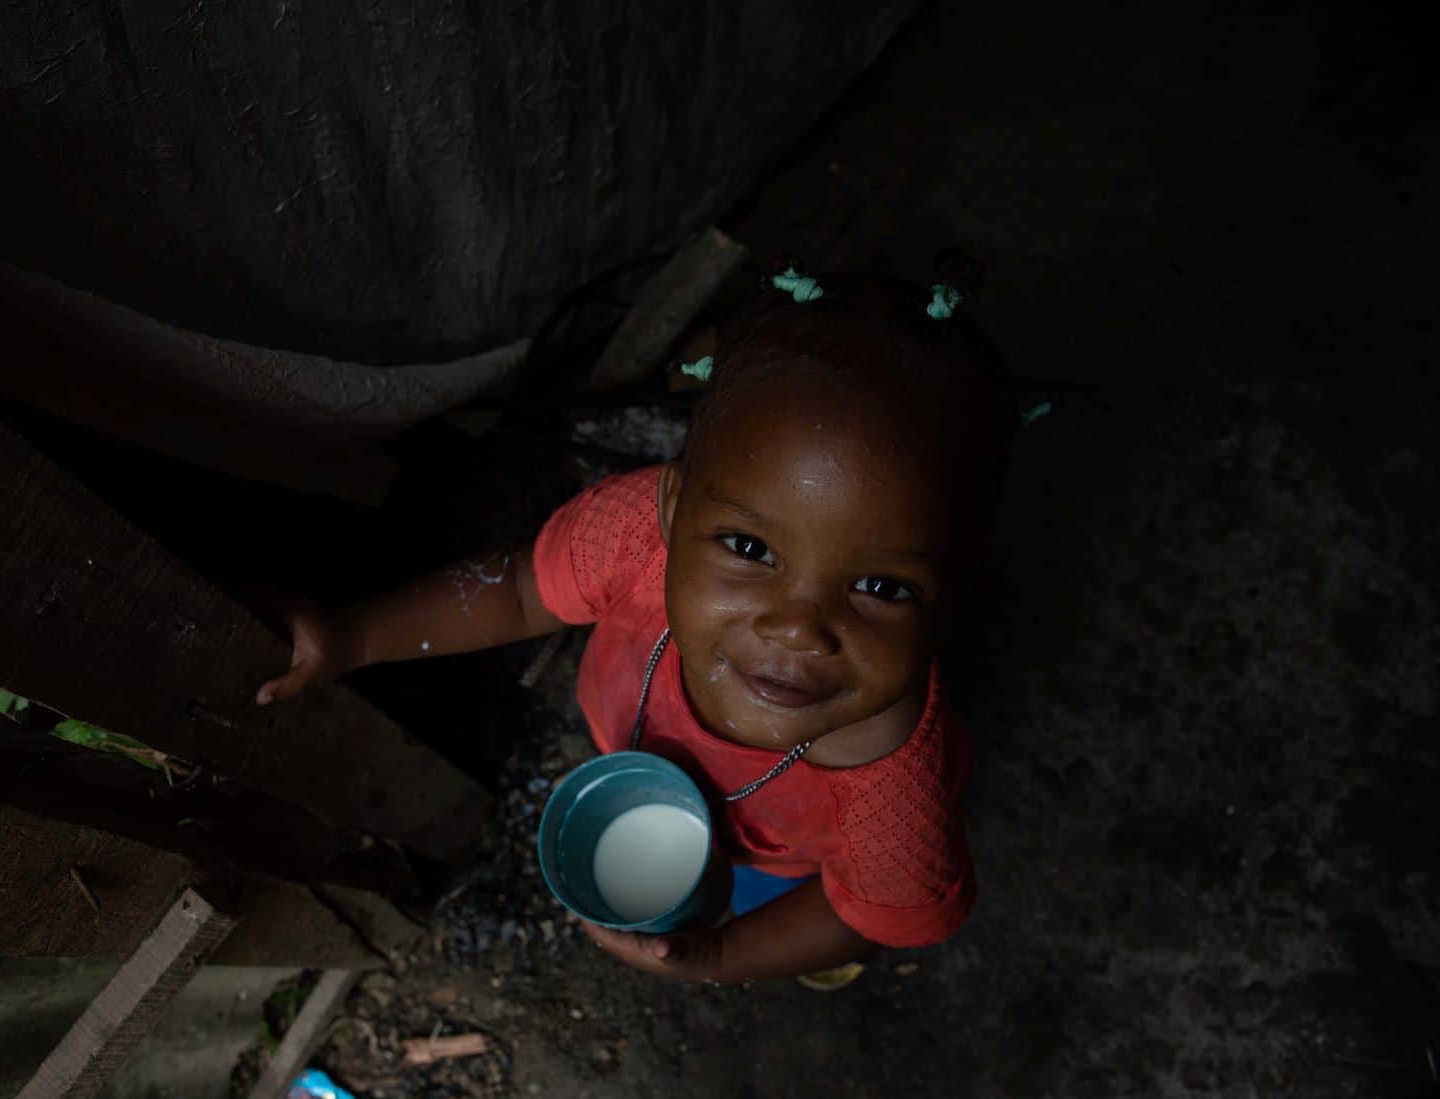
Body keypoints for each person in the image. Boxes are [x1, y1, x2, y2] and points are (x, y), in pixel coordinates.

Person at [258, 266, 1014, 984]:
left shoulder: (893, 788)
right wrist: (354, 636)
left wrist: (721, 954)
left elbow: (866, 911)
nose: (796, 627)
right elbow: (520, 589)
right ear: (673, 508)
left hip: (781, 862)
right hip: (637, 771)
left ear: (957, 595)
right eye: (751, 549)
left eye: (882, 585)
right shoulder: (632, 538)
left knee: (772, 912)